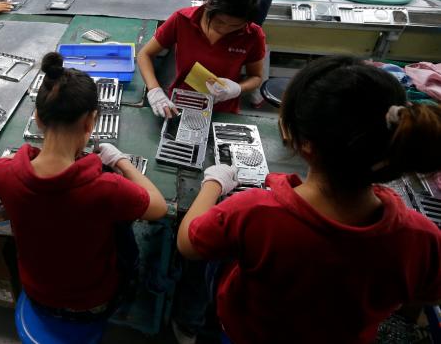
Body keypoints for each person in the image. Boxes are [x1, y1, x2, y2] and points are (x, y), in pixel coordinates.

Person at [175, 56, 441, 344]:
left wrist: (213, 183)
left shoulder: (255, 212)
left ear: (298, 139)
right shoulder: (422, 238)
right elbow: (427, 293)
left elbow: (189, 244)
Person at [0, 52, 167, 320]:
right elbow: (159, 207)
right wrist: (123, 163)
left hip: (36, 293)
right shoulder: (106, 188)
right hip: (93, 303)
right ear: (91, 121)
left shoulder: (4, 174)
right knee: (126, 237)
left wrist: (29, 157)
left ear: (37, 117)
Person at [138, 0, 265, 118]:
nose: (225, 29)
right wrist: (154, 91)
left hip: (222, 111)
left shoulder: (253, 35)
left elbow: (256, 77)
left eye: (235, 26)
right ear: (209, 3)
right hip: (180, 105)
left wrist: (237, 88)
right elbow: (144, 54)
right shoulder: (182, 20)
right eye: (219, 22)